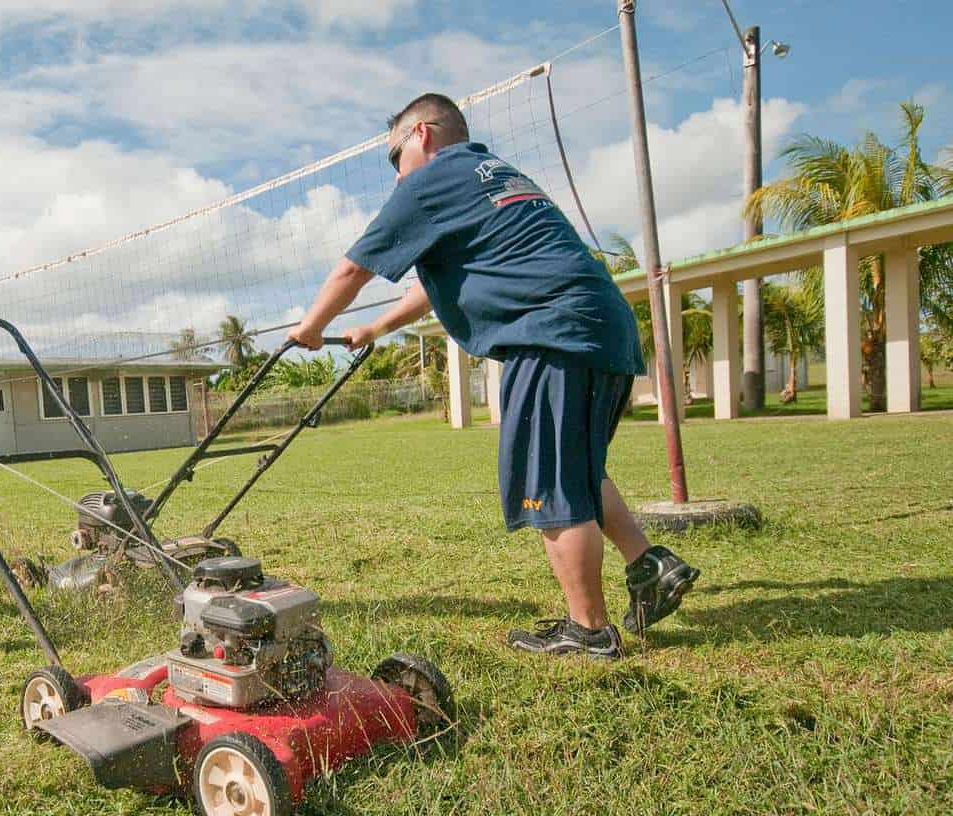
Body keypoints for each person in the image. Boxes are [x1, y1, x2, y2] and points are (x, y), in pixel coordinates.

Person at [289, 93, 699, 659]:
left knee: (551, 485)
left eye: (394, 157)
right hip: (602, 327)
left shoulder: (430, 182)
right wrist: (376, 327)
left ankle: (588, 631)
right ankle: (650, 565)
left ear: (421, 135)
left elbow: (353, 267)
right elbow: (434, 287)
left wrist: (311, 327)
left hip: (552, 333)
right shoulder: (493, 176)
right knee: (576, 470)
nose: (397, 174)